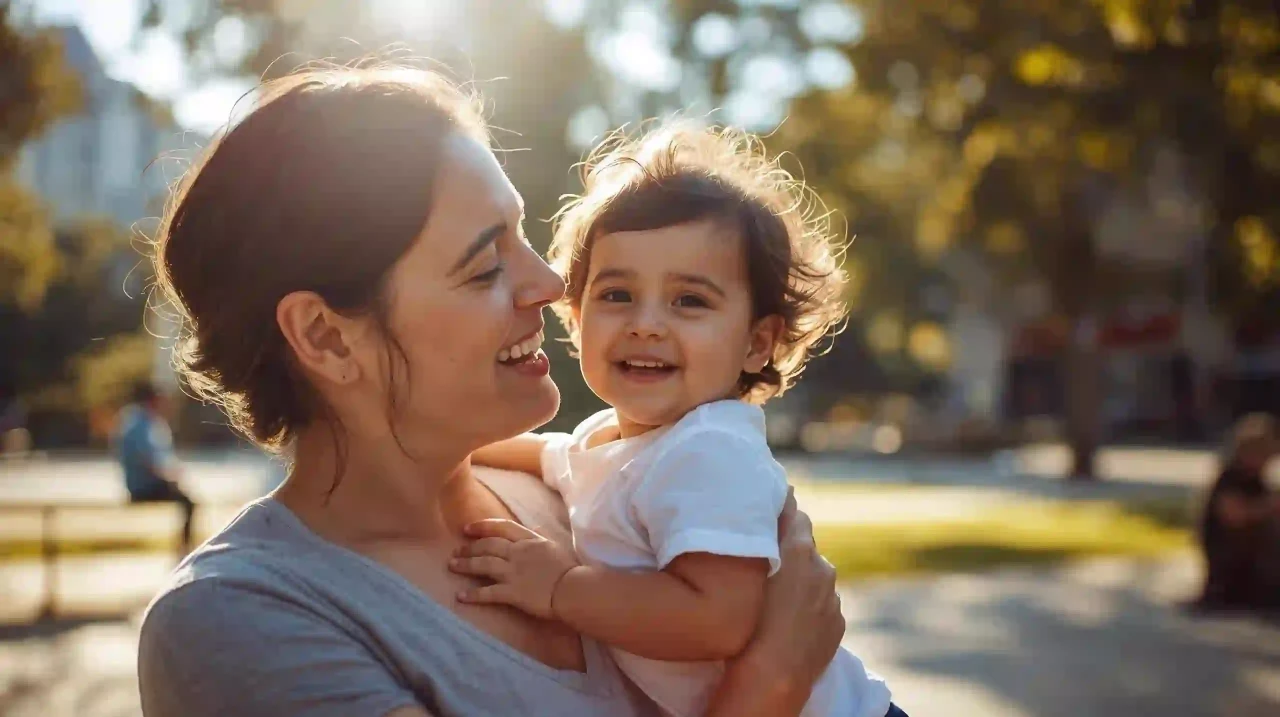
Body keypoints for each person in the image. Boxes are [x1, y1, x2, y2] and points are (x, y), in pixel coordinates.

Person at [136, 63, 848, 717]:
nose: (550, 285)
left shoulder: (583, 493)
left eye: (524, 236)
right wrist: (768, 685)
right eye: (484, 268)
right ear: (325, 335)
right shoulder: (240, 619)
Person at [467, 125, 897, 717]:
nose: (646, 324)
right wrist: (459, 448)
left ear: (755, 343)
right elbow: (547, 452)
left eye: (689, 301)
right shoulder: (611, 438)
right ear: (575, 317)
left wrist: (560, 589)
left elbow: (716, 619)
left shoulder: (711, 448)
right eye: (617, 295)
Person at [1196, 413, 1280, 611]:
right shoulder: (1230, 479)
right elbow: (1234, 516)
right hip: (1232, 569)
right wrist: (1269, 507)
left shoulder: (1257, 481)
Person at [115, 382, 194, 555]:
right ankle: (184, 548)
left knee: (184, 497)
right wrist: (168, 476)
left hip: (141, 483)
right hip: (142, 487)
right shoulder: (140, 423)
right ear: (152, 400)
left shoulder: (136, 419)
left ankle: (183, 547)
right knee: (189, 502)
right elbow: (146, 459)